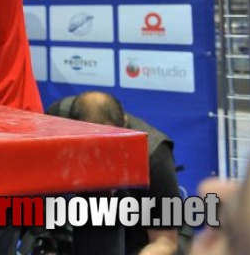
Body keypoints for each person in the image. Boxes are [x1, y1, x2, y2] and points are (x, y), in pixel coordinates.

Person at [46, 91, 189, 255]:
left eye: (109, 147)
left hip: (145, 234)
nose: (101, 157)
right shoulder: (57, 121)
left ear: (124, 124)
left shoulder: (153, 155)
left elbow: (165, 241)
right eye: (93, 149)